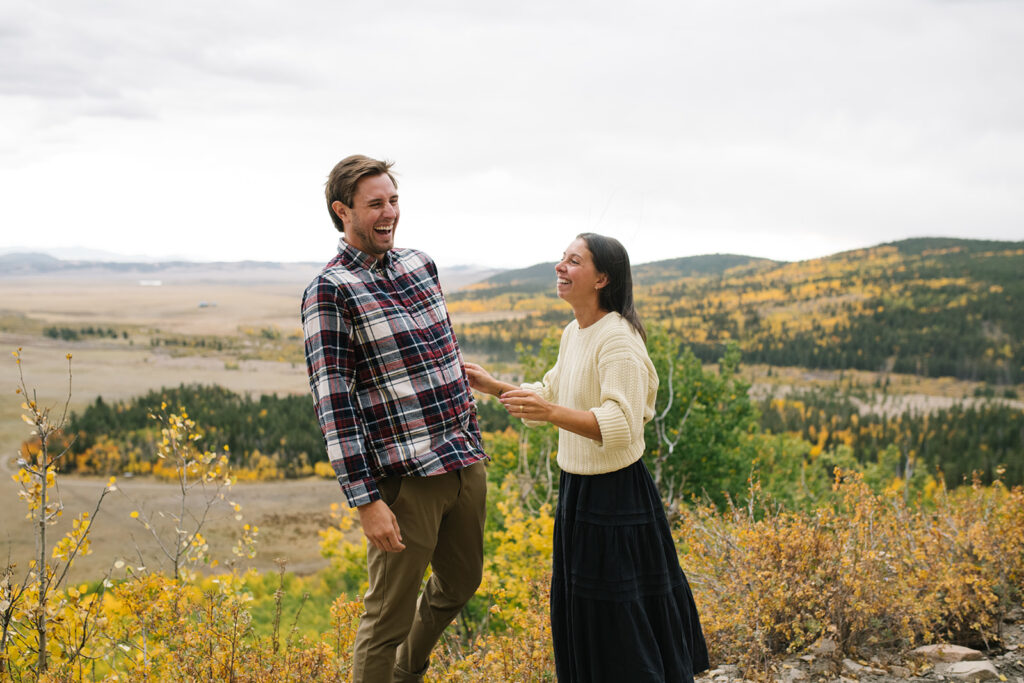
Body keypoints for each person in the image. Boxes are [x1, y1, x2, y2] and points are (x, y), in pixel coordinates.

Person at [466, 233, 709, 682]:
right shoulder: (574, 333)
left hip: (617, 495)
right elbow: (550, 391)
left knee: (621, 617)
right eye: (562, 258)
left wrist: (552, 413)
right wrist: (496, 386)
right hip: (579, 489)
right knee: (590, 613)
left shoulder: (617, 339)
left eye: (573, 261)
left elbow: (621, 425)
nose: (560, 267)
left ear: (602, 278)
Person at [301, 155, 488, 683]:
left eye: (394, 201)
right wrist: (366, 500)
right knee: (386, 618)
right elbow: (334, 402)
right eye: (375, 204)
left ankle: (406, 672)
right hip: (405, 480)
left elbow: (444, 351)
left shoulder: (420, 264)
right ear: (343, 212)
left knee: (461, 583)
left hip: (461, 459)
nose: (389, 214)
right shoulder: (330, 290)